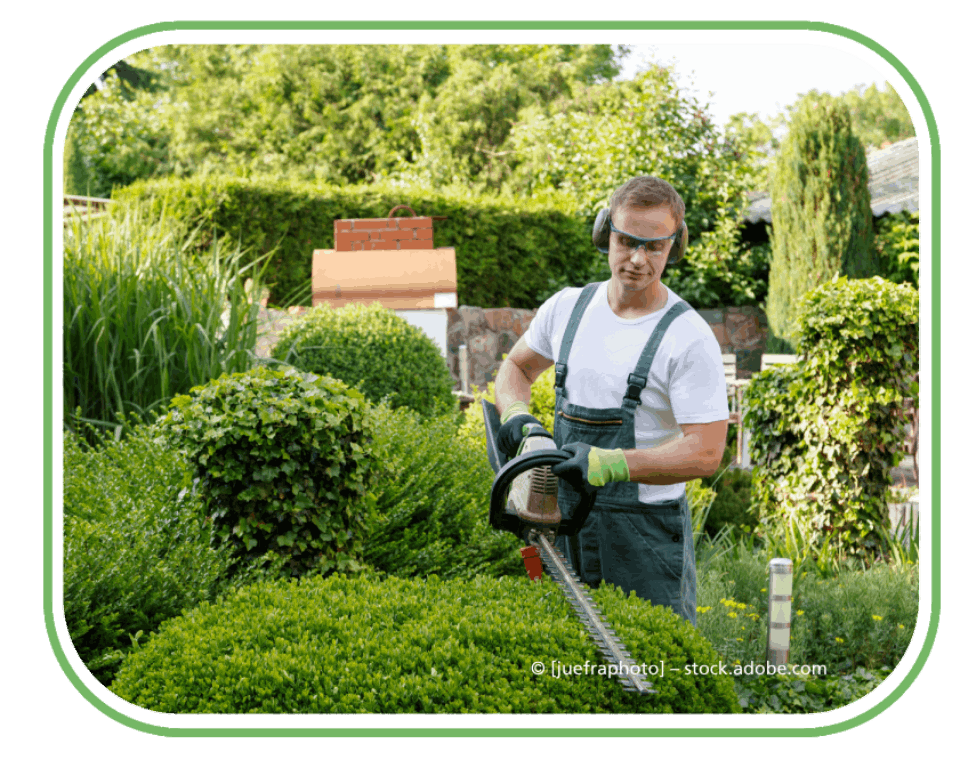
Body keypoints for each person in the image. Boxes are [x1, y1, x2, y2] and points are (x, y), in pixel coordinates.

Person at [493, 176, 729, 626]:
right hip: (559, 523)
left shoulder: (687, 336)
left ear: (674, 247)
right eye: (626, 242)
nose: (638, 259)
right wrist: (519, 417)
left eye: (654, 247)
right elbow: (516, 369)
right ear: (606, 233)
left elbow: (706, 452)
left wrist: (611, 463)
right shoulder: (567, 309)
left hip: (643, 537)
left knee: (656, 668)